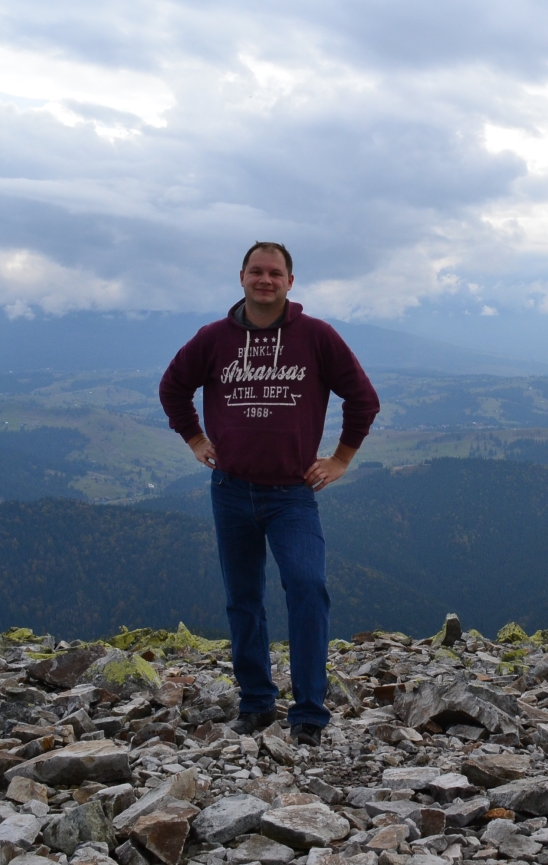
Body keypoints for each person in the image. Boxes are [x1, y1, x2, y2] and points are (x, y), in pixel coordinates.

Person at [158, 241, 380, 745]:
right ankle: (256, 703)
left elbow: (363, 399)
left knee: (307, 588)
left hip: (291, 494)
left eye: (275, 273)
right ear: (241, 277)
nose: (265, 280)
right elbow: (173, 387)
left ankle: (309, 713)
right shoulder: (213, 338)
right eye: (256, 271)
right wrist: (194, 438)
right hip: (230, 489)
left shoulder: (316, 336)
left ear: (289, 282)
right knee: (243, 600)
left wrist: (341, 459)